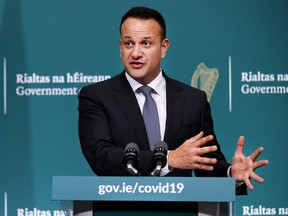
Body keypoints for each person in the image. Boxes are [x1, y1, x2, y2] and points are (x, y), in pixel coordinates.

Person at [78, 6, 269, 195]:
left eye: (145, 43)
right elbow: (100, 157)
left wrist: (231, 174)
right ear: (120, 47)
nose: (135, 53)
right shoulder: (97, 96)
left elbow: (206, 164)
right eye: (129, 43)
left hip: (179, 209)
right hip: (120, 208)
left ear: (163, 47)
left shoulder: (193, 100)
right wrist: (170, 159)